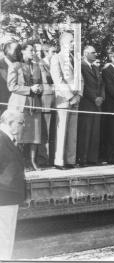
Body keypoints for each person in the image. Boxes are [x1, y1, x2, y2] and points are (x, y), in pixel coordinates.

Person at [8, 42, 43, 170]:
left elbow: (40, 84)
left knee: (35, 134)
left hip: (35, 104)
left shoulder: (36, 66)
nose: (33, 53)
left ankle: (33, 161)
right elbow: (11, 86)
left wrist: (39, 89)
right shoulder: (15, 66)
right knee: (20, 134)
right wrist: (29, 89)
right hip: (20, 105)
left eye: (34, 51)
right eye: (30, 50)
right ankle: (20, 162)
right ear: (22, 51)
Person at [50, 31, 82, 170]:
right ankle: (59, 161)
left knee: (72, 131)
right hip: (64, 99)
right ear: (63, 42)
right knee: (61, 130)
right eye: (71, 41)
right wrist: (70, 96)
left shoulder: (75, 59)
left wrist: (79, 94)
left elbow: (81, 79)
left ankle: (70, 160)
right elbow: (58, 79)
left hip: (76, 99)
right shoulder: (56, 58)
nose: (73, 44)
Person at [0, 110, 26, 259]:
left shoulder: (8, 139)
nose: (24, 126)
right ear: (9, 123)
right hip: (4, 196)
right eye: (21, 123)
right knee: (4, 237)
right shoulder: (1, 139)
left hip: (10, 197)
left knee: (7, 236)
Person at [76, 46, 105, 166]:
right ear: (86, 53)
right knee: (86, 131)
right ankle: (82, 158)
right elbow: (84, 85)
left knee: (95, 132)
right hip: (87, 103)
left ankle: (92, 158)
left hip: (97, 104)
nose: (95, 54)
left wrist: (102, 97)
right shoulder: (81, 66)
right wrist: (94, 98)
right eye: (93, 53)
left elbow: (102, 84)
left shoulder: (95, 67)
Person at [37, 44, 56, 166]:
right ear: (45, 52)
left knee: (52, 132)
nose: (55, 54)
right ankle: (43, 159)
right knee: (45, 132)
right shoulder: (41, 64)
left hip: (55, 100)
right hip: (46, 100)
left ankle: (51, 159)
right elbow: (47, 78)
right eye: (53, 52)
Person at [0, 41, 20, 115]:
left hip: (19, 107)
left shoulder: (22, 65)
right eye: (16, 49)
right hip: (3, 107)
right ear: (7, 51)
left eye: (20, 49)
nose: (19, 52)